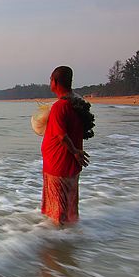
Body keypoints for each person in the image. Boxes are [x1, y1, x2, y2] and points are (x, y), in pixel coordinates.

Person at [41, 66, 91, 225]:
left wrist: (75, 151)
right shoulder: (77, 102)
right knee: (69, 208)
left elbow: (62, 136)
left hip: (59, 164)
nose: (50, 82)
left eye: (50, 79)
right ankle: (69, 240)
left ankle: (58, 245)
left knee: (58, 212)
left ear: (55, 82)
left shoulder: (60, 106)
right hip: (70, 165)